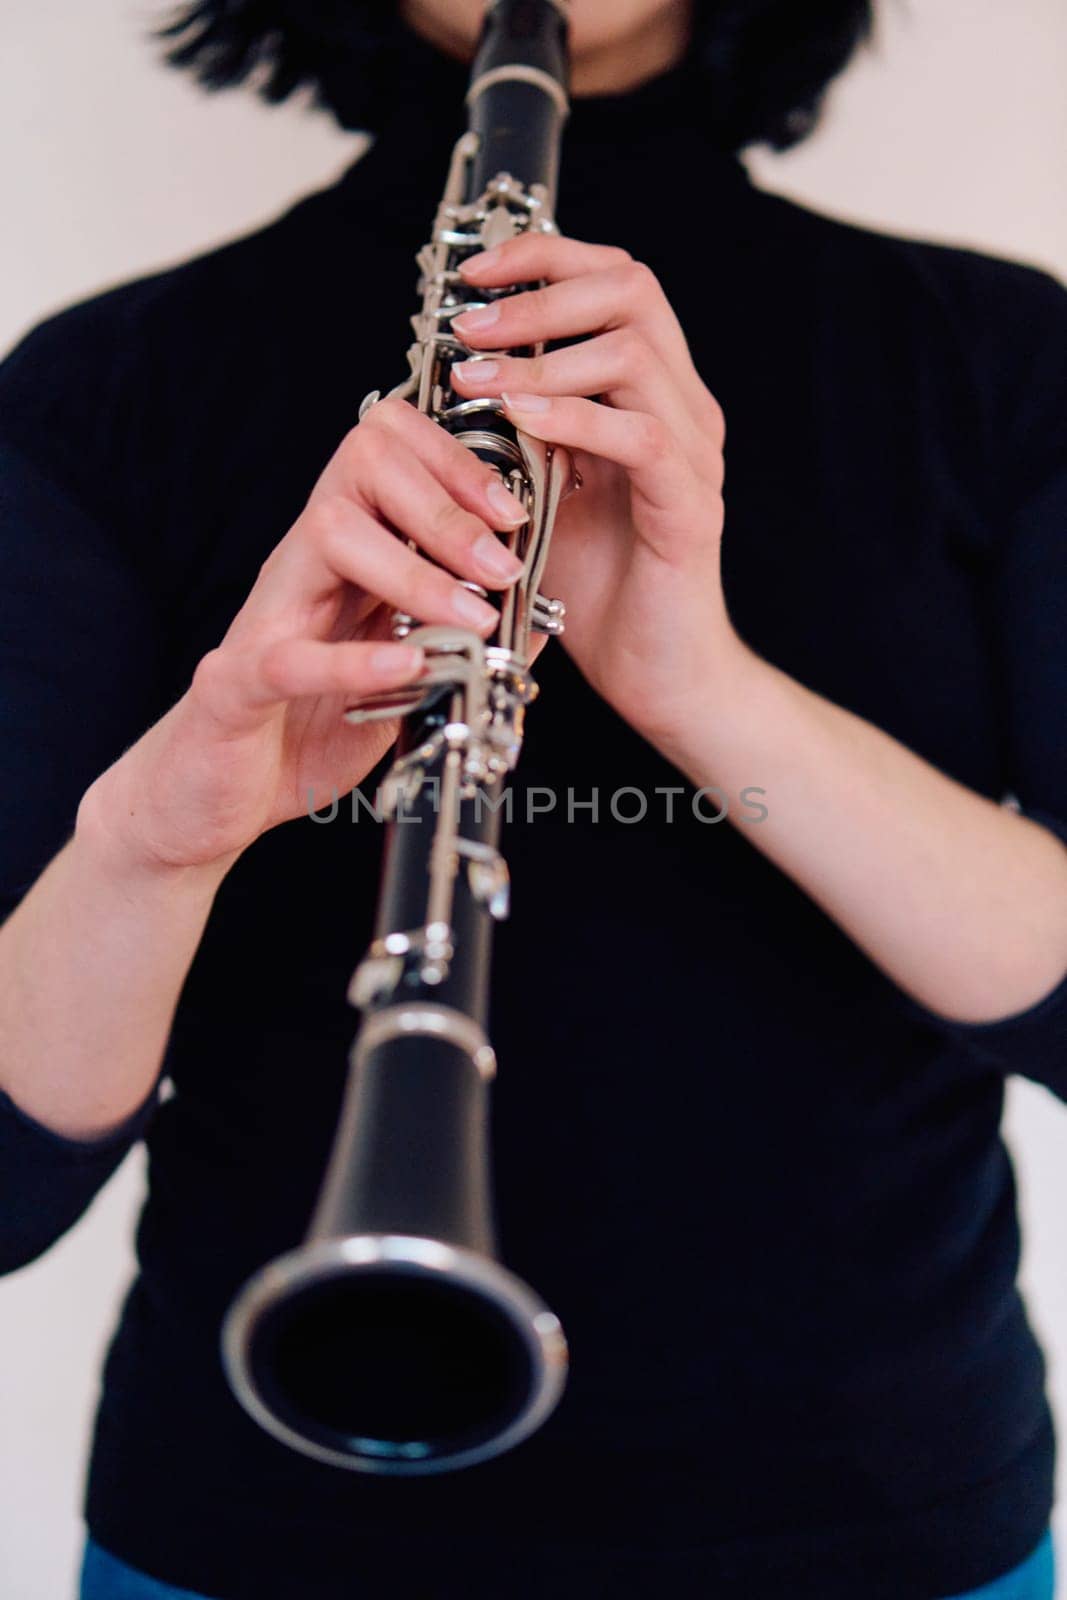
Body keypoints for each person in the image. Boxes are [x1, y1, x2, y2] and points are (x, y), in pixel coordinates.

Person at [1, 0, 1065, 1595]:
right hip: (256, 1532)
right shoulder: (110, 384)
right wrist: (162, 834)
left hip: (886, 1528)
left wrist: (694, 677)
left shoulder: (996, 353)